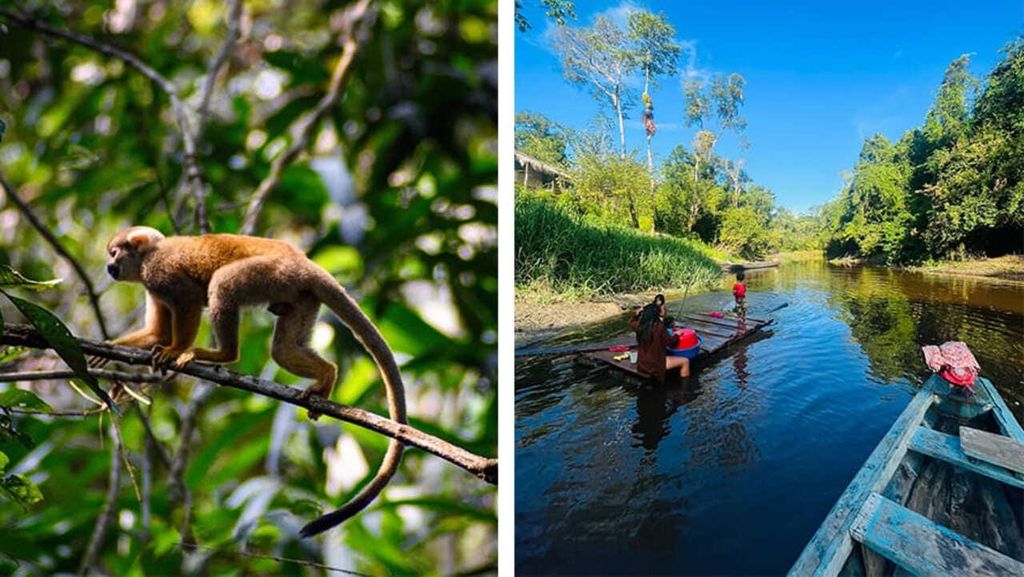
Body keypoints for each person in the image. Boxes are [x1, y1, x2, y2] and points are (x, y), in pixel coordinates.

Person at [630, 303, 690, 384]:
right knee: (685, 361)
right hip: (655, 366)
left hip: (642, 365)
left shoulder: (639, 326)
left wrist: (636, 315)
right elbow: (671, 342)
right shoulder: (659, 327)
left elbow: (632, 322)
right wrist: (677, 334)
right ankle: (685, 386)